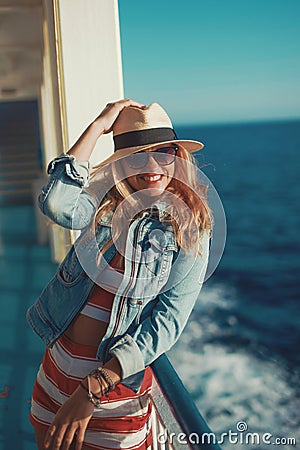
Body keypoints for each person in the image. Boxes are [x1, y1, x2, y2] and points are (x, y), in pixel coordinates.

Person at [27, 99, 212, 450]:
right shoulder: (103, 205)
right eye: (138, 155)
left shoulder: (190, 228)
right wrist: (98, 124)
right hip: (53, 375)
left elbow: (168, 322)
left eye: (164, 152)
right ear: (123, 163)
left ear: (178, 155)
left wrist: (92, 390)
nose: (153, 165)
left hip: (111, 396)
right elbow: (57, 204)